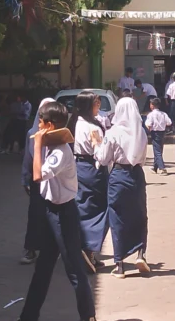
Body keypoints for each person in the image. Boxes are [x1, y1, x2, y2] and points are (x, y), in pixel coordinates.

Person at [19, 101, 96, 321]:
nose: (38, 127)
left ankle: (88, 316)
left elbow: (37, 176)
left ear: (50, 126)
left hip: (64, 214)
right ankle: (28, 316)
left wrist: (37, 145)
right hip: (50, 212)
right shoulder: (52, 147)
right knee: (43, 270)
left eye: (41, 123)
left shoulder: (60, 152)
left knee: (74, 270)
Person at [92, 98, 150, 279]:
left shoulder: (113, 131)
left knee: (117, 216)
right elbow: (143, 158)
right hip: (137, 176)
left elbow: (102, 158)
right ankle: (141, 254)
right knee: (139, 214)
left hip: (119, 175)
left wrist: (96, 143)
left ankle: (119, 265)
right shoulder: (141, 131)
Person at [67, 91, 109, 274]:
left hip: (78, 167)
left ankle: (82, 249)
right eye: (96, 102)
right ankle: (89, 248)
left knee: (82, 206)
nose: (98, 106)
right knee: (98, 208)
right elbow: (99, 151)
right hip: (93, 169)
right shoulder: (93, 128)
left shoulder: (74, 123)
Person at [20, 97, 54, 265]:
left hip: (55, 180)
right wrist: (25, 177)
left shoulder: (60, 133)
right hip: (37, 180)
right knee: (35, 214)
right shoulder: (31, 133)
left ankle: (56, 249)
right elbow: (27, 157)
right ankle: (31, 249)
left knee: (55, 216)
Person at [145, 98, 172, 176]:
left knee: (157, 151)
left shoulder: (151, 115)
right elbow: (169, 122)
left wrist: (149, 128)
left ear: (152, 106)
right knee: (159, 149)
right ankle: (155, 167)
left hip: (155, 132)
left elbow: (149, 124)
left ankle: (162, 168)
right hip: (162, 133)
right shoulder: (163, 114)